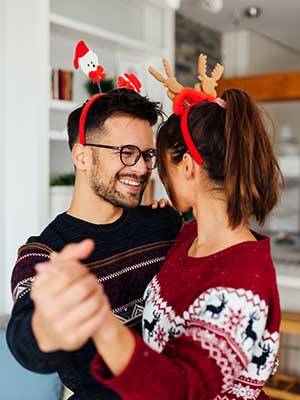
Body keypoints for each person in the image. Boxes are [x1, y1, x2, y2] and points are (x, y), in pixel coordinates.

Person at [33, 72, 283, 399]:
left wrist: (101, 319)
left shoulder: (242, 283)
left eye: (155, 160)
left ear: (189, 167)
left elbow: (181, 391)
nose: (147, 172)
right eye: (127, 153)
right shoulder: (186, 236)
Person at [6, 88, 182, 400]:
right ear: (82, 155)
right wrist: (47, 327)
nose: (141, 168)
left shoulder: (163, 223)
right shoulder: (44, 256)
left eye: (147, 154)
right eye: (126, 152)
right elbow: (26, 340)